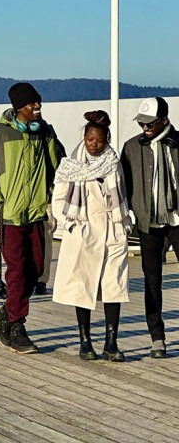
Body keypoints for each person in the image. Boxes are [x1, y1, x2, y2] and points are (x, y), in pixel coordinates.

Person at [0, 83, 62, 355]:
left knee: (35, 269)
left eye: (38, 102)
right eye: (32, 103)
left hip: (36, 215)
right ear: (18, 107)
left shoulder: (45, 133)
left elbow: (57, 168)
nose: (37, 106)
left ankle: (6, 310)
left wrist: (49, 196)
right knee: (16, 271)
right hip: (9, 216)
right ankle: (16, 326)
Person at [53, 111, 130, 362]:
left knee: (114, 286)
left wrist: (124, 220)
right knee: (82, 286)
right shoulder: (71, 163)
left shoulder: (113, 161)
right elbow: (58, 199)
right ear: (83, 138)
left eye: (98, 140)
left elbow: (122, 193)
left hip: (112, 229)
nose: (93, 144)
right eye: (89, 139)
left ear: (106, 139)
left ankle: (111, 342)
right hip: (84, 230)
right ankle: (85, 341)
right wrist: (70, 224)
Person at [121, 96, 179, 359]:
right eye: (141, 123)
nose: (144, 128)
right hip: (148, 223)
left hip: (177, 220)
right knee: (151, 281)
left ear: (164, 120)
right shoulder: (132, 147)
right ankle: (157, 338)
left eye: (149, 124)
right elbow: (124, 185)